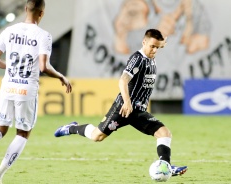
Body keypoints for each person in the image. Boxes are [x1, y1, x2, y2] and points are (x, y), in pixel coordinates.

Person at [0, 0, 72, 183]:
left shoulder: (9, 31)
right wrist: (61, 76)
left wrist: (11, 68)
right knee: (22, 134)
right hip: (26, 89)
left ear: (25, 9)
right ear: (41, 13)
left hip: (8, 86)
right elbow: (44, 66)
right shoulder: (43, 35)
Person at [54, 29, 187, 177]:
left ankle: (166, 166)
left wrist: (162, 42)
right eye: (152, 46)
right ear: (144, 42)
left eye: (158, 47)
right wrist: (127, 102)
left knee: (164, 133)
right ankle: (71, 128)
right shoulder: (137, 59)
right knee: (97, 136)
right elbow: (123, 81)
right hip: (123, 108)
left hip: (138, 112)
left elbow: (158, 43)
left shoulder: (151, 57)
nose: (155, 50)